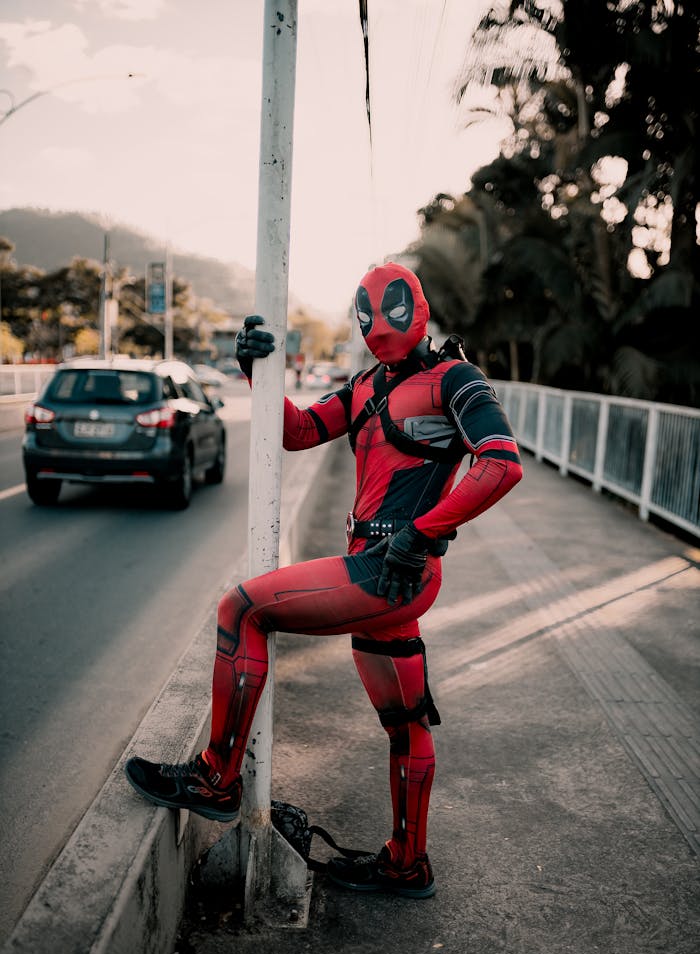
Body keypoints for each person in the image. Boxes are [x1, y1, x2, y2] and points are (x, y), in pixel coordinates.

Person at [125, 262, 522, 899]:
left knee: (243, 609)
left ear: (413, 308)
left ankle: (215, 778)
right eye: (370, 313)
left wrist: (420, 533)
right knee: (406, 726)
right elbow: (299, 430)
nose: (377, 323)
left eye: (387, 310)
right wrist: (260, 372)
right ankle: (406, 864)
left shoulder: (458, 380)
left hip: (389, 571)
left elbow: (501, 465)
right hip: (390, 578)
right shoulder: (368, 386)